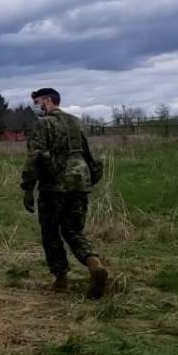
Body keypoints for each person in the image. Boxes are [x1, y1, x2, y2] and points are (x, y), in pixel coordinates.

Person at [21, 88, 109, 299]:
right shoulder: (76, 122)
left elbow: (35, 157)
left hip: (54, 185)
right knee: (73, 230)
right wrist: (89, 178)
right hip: (80, 182)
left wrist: (27, 188)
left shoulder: (44, 124)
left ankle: (61, 279)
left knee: (50, 232)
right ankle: (94, 264)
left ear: (48, 100)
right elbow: (88, 154)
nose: (36, 106)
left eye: (38, 102)